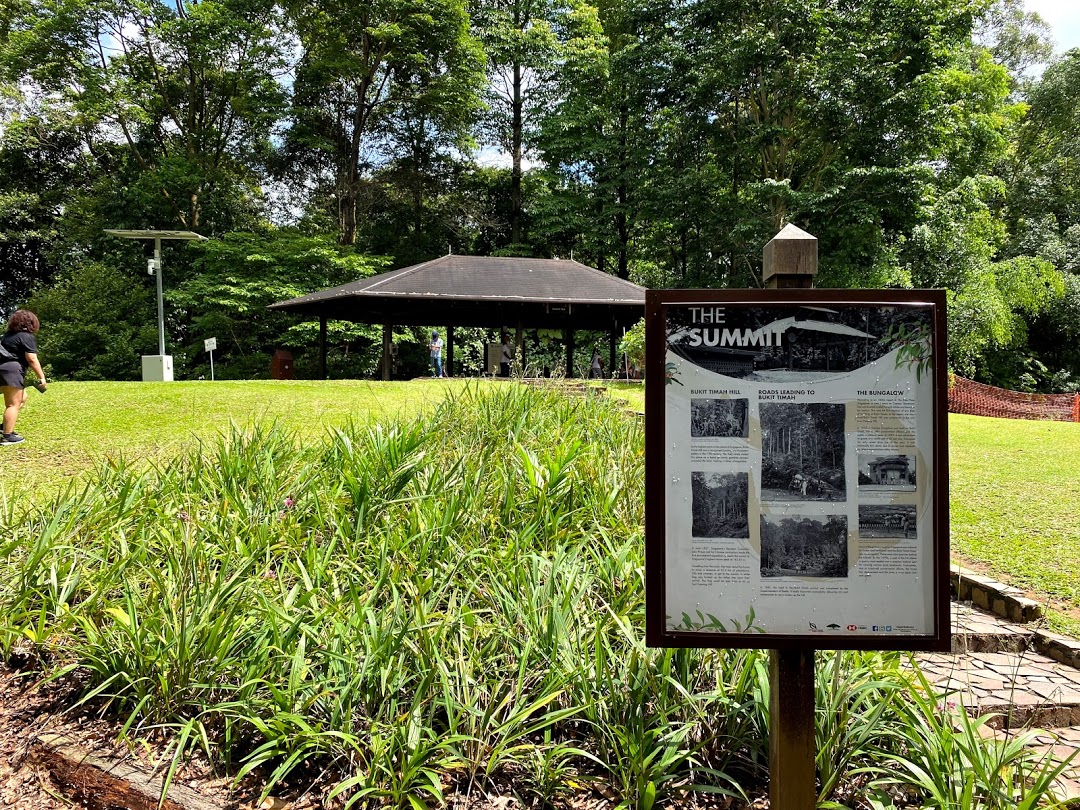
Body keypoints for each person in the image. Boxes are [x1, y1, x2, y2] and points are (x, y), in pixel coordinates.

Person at [0, 310, 47, 446]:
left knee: (22, 397)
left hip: (1, 370)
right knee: (13, 404)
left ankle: (4, 427)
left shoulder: (7, 336)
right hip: (12, 370)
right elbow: (32, 359)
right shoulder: (26, 336)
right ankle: (7, 437)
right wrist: (41, 377)